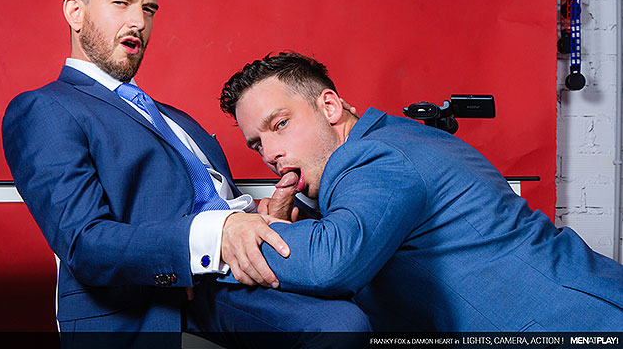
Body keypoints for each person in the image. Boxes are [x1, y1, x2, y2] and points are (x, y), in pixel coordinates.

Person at [1, 0, 370, 347]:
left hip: (244, 268)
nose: (138, 22)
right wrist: (213, 238)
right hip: (167, 299)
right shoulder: (45, 108)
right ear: (75, 12)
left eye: (148, 9)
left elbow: (218, 198)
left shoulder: (176, 119)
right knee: (341, 326)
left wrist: (266, 214)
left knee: (377, 292)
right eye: (121, 3)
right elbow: (85, 244)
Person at [218, 51, 623, 332]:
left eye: (281, 124)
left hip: (579, 323)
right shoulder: (389, 141)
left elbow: (330, 264)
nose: (269, 153)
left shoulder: (375, 156)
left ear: (330, 107)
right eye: (256, 144)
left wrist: (241, 232)